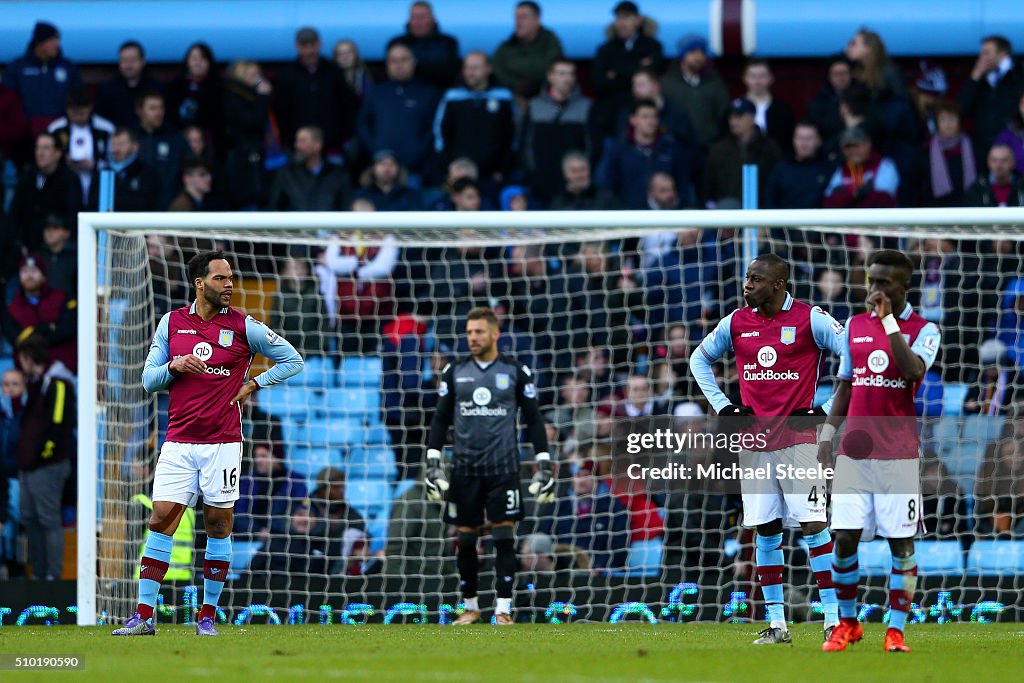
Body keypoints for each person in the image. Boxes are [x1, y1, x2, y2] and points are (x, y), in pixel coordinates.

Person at [112, 250, 304, 637]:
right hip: (178, 442)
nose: (229, 284)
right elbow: (147, 381)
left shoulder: (244, 327)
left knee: (218, 525)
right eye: (220, 278)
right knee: (160, 520)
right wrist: (174, 366)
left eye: (231, 278)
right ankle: (144, 616)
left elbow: (292, 359)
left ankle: (207, 618)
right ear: (200, 284)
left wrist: (255, 383)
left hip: (223, 444)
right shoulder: (172, 323)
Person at [689, 253, 846, 644]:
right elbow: (699, 359)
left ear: (778, 284)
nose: (747, 286)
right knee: (765, 529)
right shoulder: (737, 322)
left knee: (813, 525)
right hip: (754, 445)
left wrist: (824, 410)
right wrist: (725, 407)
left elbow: (856, 361)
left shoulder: (811, 319)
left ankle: (833, 618)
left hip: (800, 444)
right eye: (746, 278)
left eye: (755, 279)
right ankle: (778, 624)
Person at [818, 250, 941, 653]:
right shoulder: (854, 326)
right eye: (872, 281)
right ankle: (848, 624)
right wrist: (825, 437)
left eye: (884, 283)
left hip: (899, 456)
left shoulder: (925, 330)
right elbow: (846, 387)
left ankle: (896, 631)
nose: (875, 290)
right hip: (855, 454)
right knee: (844, 538)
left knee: (900, 545)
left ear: (904, 285)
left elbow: (911, 372)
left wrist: (889, 323)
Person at [424, 307, 553, 625]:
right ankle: (470, 606)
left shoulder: (515, 370)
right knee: (465, 539)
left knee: (504, 537)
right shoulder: (455, 371)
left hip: (503, 468)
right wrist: (432, 460)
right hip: (465, 468)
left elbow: (534, 419)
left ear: (495, 334)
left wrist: (544, 462)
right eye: (469, 332)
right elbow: (440, 418)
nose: (472, 338)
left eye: (479, 332)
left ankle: (504, 610)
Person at [14, 335, 75, 580]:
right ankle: (38, 575)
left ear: (29, 358)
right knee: (29, 518)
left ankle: (53, 577)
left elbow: (59, 423)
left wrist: (43, 454)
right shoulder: (34, 384)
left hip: (48, 465)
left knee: (48, 519)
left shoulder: (58, 384)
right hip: (28, 466)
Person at [357, 41, 440, 177]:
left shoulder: (428, 93)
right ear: (387, 64)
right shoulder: (376, 93)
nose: (399, 65)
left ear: (414, 62)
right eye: (394, 61)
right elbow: (363, 125)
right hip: (379, 170)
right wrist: (376, 151)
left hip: (414, 170)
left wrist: (416, 154)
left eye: (404, 59)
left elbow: (432, 129)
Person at [433, 52, 516, 183]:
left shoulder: (503, 97)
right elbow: (441, 133)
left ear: (488, 69)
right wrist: (447, 167)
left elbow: (511, 135)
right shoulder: (452, 97)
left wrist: (503, 169)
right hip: (459, 173)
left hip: (493, 175)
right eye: (467, 68)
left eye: (476, 68)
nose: (470, 72)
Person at [274, 27, 357, 155]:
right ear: (297, 47)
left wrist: (344, 137)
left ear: (319, 44)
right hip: (298, 148)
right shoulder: (287, 75)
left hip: (332, 147)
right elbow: (281, 112)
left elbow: (348, 106)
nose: (309, 50)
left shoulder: (334, 72)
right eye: (304, 46)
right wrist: (289, 142)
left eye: (312, 45)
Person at [596, 98, 693, 208]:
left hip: (665, 219)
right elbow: (605, 184)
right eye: (645, 116)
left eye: (654, 116)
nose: (650, 121)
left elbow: (683, 189)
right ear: (633, 119)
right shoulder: (617, 150)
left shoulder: (672, 148)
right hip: (628, 218)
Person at [521, 59, 593, 203]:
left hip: (575, 188)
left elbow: (593, 145)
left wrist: (579, 175)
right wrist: (533, 173)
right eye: (561, 74)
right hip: (541, 186)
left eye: (570, 74)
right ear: (550, 76)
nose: (566, 79)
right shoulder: (535, 106)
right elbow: (525, 144)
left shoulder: (586, 107)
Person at [591, 1, 663, 142]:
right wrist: (636, 66)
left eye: (626, 17)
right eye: (618, 18)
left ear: (638, 20)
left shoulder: (652, 46)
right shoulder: (605, 49)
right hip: (610, 118)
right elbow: (598, 82)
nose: (621, 23)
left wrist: (616, 73)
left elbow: (654, 73)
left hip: (644, 117)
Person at [3, 22, 81, 137]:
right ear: (40, 42)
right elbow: (7, 101)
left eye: (57, 40)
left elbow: (78, 97)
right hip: (24, 135)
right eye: (52, 40)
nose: (57, 44)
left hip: (60, 132)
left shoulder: (68, 68)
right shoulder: (17, 68)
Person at [2, 253, 77, 373]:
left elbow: (67, 330)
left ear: (43, 276)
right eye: (25, 272)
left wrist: (33, 334)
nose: (29, 276)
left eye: (33, 271)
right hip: (27, 374)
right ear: (19, 277)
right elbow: (16, 338)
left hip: (64, 370)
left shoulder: (62, 299)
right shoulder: (11, 308)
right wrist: (46, 327)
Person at [7, 132, 80, 253]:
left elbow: (73, 213)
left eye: (46, 148)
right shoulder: (28, 177)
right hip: (30, 247)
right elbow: (15, 213)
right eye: (38, 148)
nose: (40, 153)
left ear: (57, 153)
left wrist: (63, 232)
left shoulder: (69, 179)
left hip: (61, 246)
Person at [959, 35, 1024, 172]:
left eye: (987, 53)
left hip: (1014, 149)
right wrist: (975, 77)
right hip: (984, 151)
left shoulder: (1019, 76)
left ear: (1002, 54)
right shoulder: (979, 80)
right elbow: (962, 110)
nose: (982, 57)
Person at [703, 98, 781, 208]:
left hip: (762, 213)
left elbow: (776, 185)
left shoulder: (770, 149)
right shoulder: (718, 149)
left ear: (753, 117)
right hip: (727, 213)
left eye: (739, 117)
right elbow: (708, 185)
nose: (733, 122)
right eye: (731, 117)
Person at [660, 34, 729, 153]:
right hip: (677, 150)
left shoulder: (715, 83)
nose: (699, 56)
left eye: (702, 51)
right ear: (682, 55)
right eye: (693, 51)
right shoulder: (667, 84)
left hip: (709, 149)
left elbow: (724, 114)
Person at [47, 87, 114, 204]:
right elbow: (47, 161)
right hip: (64, 186)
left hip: (97, 184)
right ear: (67, 110)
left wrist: (95, 165)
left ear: (90, 108)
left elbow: (115, 161)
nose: (78, 117)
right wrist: (64, 162)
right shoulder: (55, 129)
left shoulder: (105, 129)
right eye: (74, 113)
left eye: (81, 113)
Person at [222, 60, 272, 209]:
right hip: (244, 158)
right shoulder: (234, 97)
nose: (258, 79)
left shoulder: (250, 96)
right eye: (252, 75)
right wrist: (263, 97)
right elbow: (253, 121)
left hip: (257, 155)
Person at [492, 1, 564, 101]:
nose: (518, 22)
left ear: (537, 20)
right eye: (516, 18)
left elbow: (550, 69)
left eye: (523, 17)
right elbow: (496, 71)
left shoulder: (550, 42)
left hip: (547, 100)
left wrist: (514, 65)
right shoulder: (506, 46)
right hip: (512, 100)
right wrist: (517, 86)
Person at [267, 126, 352, 211]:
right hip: (295, 224)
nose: (297, 145)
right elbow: (274, 209)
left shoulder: (338, 175)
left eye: (303, 141)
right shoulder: (285, 174)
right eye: (297, 141)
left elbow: (346, 208)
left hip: (328, 224)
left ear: (318, 145)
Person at [135, 90, 189, 209]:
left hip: (169, 209)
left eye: (161, 108)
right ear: (139, 111)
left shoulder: (176, 139)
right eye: (152, 108)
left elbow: (188, 170)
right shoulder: (131, 138)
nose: (158, 113)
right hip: (136, 210)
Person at [822, 126, 898, 208]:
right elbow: (829, 202)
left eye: (856, 146)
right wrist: (856, 195)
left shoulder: (884, 165)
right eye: (847, 147)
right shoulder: (842, 170)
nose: (852, 151)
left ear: (868, 145)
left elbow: (884, 199)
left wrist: (846, 197)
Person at [764, 121, 834, 209]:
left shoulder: (829, 168)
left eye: (808, 138)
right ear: (793, 140)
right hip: (786, 221)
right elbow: (770, 201)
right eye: (799, 138)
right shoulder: (781, 168)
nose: (803, 144)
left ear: (819, 141)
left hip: (820, 221)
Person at [391, 1, 460, 89]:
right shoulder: (397, 43)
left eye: (422, 17)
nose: (418, 22)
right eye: (414, 17)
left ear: (433, 19)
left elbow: (448, 74)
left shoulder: (448, 43)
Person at [95, 41, 162, 129]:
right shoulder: (107, 89)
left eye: (132, 60)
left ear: (143, 62)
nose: (128, 65)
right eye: (124, 60)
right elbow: (99, 120)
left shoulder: (156, 87)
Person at [925, 101, 976, 207]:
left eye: (952, 119)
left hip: (967, 208)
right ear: (936, 123)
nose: (948, 125)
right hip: (936, 211)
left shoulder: (972, 147)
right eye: (943, 120)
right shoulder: (926, 151)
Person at [742, 59, 795, 151]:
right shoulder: (734, 109)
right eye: (752, 76)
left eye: (762, 76)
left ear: (771, 78)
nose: (757, 81)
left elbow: (789, 140)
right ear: (745, 79)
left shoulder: (782, 109)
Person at [107, 127, 160, 212]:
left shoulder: (148, 174)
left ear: (135, 146)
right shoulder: (103, 173)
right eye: (113, 145)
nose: (115, 149)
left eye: (121, 144)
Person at [549, 151, 620, 211]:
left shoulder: (606, 198)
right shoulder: (558, 203)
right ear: (566, 174)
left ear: (589, 171)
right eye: (574, 171)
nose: (579, 175)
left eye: (583, 170)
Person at [964, 143, 1024, 207]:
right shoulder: (976, 190)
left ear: (1013, 162)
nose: (998, 165)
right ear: (988, 162)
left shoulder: (1022, 186)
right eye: (994, 160)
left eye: (1004, 160)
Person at [38, 213, 76, 297]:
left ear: (67, 233)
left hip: (70, 305)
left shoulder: (77, 257)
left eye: (56, 228)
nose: (50, 232)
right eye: (47, 228)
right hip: (44, 305)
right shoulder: (38, 256)